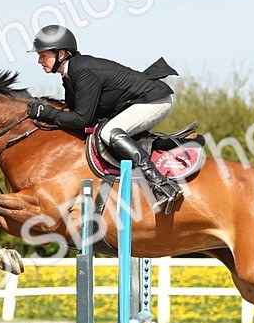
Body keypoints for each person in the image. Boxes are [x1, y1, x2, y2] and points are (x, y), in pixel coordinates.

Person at [25, 25, 182, 213]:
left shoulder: (82, 71)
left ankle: (161, 184)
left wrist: (47, 113)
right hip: (136, 102)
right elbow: (75, 114)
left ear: (61, 53)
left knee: (110, 132)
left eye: (42, 55)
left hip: (155, 100)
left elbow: (81, 119)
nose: (39, 60)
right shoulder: (70, 75)